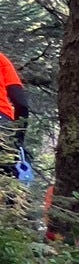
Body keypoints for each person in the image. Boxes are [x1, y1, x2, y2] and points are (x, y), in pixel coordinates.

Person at [0, 51, 30, 181]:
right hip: (3, 126)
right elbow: (21, 104)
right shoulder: (1, 60)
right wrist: (18, 140)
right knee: (8, 182)